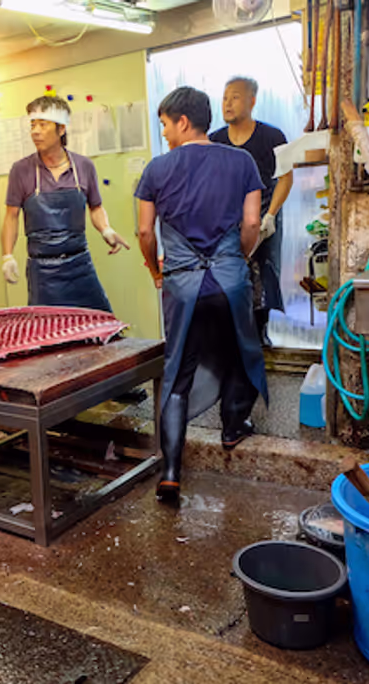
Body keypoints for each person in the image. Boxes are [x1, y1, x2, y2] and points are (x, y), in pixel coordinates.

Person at [135, 87, 269, 505]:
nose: (165, 134)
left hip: (182, 285)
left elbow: (144, 232)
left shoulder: (157, 170)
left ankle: (171, 473)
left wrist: (156, 269)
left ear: (183, 122)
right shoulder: (242, 161)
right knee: (238, 353)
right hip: (229, 280)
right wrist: (235, 259)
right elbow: (252, 223)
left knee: (177, 375)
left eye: (165, 124)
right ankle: (233, 428)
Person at [1, 95, 130, 311]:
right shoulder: (21, 170)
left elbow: (95, 206)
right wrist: (7, 255)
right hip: (42, 270)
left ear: (61, 129)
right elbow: (11, 216)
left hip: (80, 264)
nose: (35, 131)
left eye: (43, 124)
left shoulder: (84, 166)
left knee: (97, 322)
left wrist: (106, 229)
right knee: (46, 334)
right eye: (33, 125)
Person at [209, 76, 293, 345]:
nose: (227, 103)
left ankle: (261, 333)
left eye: (234, 97)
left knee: (265, 274)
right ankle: (235, 337)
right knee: (231, 276)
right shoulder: (215, 140)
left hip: (266, 215)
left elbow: (286, 177)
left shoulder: (273, 136)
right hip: (229, 220)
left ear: (252, 101)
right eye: (224, 98)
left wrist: (271, 216)